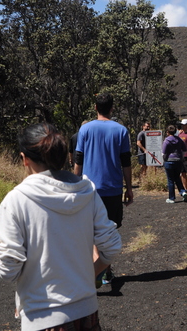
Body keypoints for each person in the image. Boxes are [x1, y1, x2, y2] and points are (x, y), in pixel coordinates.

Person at [0, 123, 122, 330]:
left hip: (41, 316)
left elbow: (8, 270)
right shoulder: (87, 192)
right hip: (87, 312)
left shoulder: (16, 200)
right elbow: (112, 246)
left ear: (24, 158)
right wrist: (89, 275)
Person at [74, 92, 133, 285]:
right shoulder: (121, 130)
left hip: (89, 189)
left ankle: (97, 268)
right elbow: (126, 162)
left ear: (95, 108)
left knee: (91, 230)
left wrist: (75, 184)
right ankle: (104, 270)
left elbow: (78, 160)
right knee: (110, 230)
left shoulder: (85, 129)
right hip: (113, 189)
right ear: (112, 108)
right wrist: (129, 188)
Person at [162, 124, 187, 203]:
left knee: (170, 180)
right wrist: (181, 157)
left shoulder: (167, 140)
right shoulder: (179, 139)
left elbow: (163, 153)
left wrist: (165, 159)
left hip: (169, 161)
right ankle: (183, 192)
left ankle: (171, 198)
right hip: (178, 161)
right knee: (177, 178)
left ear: (167, 132)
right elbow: (185, 150)